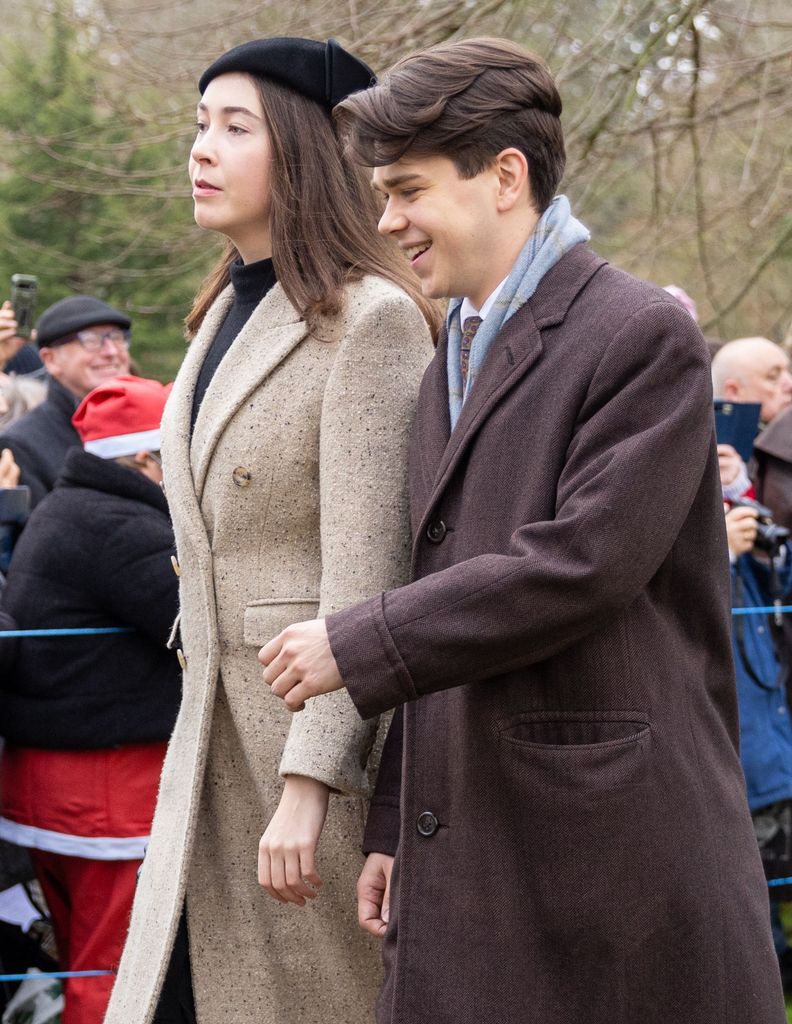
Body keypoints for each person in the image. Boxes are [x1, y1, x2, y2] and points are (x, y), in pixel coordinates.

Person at [259, 37, 786, 1023]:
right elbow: (446, 571)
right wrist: (391, 822)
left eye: (408, 189)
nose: (387, 220)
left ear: (505, 176)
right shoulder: (443, 357)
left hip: (612, 860)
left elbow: (582, 564)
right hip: (474, 849)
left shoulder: (638, 334)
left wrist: (356, 639)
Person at [105, 36, 435, 1024]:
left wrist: (311, 778)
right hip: (204, 747)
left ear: (303, 148)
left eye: (235, 128)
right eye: (198, 126)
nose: (201, 149)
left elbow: (368, 572)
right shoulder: (218, 317)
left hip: (299, 765)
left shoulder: (372, 320)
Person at [0, 375, 181, 1024]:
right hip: (104, 796)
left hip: (56, 788)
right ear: (143, 460)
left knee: (88, 958)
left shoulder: (71, 507)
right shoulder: (120, 526)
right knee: (114, 973)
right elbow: (197, 626)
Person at [0, 296, 131, 507]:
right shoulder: (22, 445)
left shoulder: (153, 422)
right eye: (91, 340)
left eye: (116, 337)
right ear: (50, 359)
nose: (112, 351)